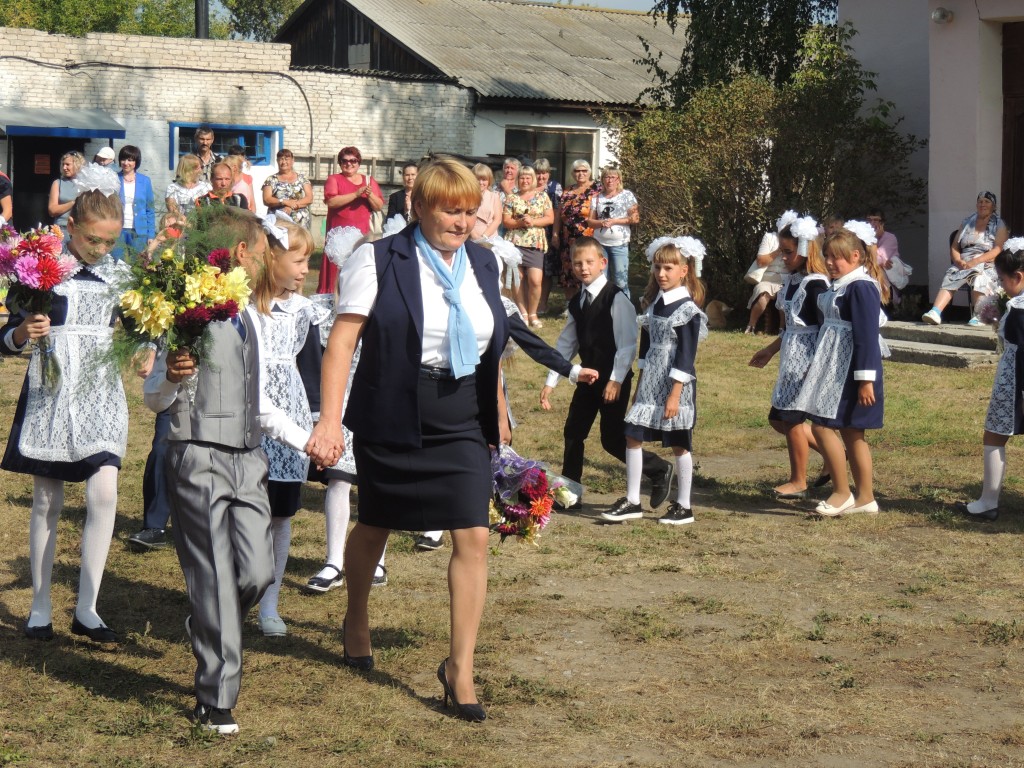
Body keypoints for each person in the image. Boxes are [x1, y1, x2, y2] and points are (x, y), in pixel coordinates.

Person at [307, 157, 510, 722]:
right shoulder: (378, 259)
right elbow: (342, 343)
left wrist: (498, 407)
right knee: (376, 521)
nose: (462, 222)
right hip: (393, 407)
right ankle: (356, 615)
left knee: (473, 534)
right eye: (450, 211)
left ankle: (460, 668)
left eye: (470, 211)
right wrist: (329, 421)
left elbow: (490, 341)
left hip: (463, 414)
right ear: (418, 207)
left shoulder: (484, 262)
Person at [143, 206, 315, 735]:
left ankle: (208, 617)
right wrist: (172, 377)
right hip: (197, 454)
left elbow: (258, 402)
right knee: (216, 574)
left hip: (249, 459)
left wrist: (307, 440)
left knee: (258, 573)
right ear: (242, 254)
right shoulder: (187, 312)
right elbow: (155, 399)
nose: (268, 261)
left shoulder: (252, 318)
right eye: (264, 252)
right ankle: (215, 698)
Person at [2, 189, 130, 642]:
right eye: (94, 239)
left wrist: (152, 348)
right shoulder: (42, 269)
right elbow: (7, 338)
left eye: (110, 241)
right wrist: (23, 330)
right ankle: (40, 605)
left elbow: (145, 327)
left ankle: (87, 608)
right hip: (52, 391)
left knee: (105, 493)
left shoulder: (120, 275)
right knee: (47, 500)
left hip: (100, 392)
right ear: (71, 226)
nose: (101, 249)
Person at [540, 236, 675, 511]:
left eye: (589, 262)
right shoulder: (577, 302)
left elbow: (627, 344)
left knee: (612, 440)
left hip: (613, 380)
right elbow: (567, 344)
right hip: (586, 377)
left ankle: (659, 469)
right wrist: (551, 380)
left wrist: (615, 380)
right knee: (573, 432)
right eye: (578, 263)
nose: (583, 268)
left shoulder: (617, 298)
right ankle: (570, 495)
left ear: (602, 263)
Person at [247, 216, 327, 636]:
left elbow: (311, 372)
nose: (304, 271)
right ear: (271, 258)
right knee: (245, 514)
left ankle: (270, 604)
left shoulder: (302, 310)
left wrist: (316, 428)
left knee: (280, 516)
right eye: (298, 261)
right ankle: (233, 597)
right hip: (246, 417)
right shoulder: (241, 306)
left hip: (289, 418)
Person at [601, 236, 708, 525]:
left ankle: (684, 506)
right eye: (658, 267)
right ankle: (633, 500)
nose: (661, 273)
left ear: (684, 271)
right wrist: (640, 385)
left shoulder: (687, 310)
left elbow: (686, 356)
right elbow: (646, 349)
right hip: (651, 381)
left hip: (675, 384)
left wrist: (675, 394)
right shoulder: (653, 304)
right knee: (632, 434)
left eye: (668, 268)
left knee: (679, 443)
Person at [790, 222, 889, 517]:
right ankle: (866, 498)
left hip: (850, 370)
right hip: (833, 364)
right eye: (828, 256)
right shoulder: (841, 285)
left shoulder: (861, 287)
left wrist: (865, 380)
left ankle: (842, 492)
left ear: (856, 256)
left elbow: (866, 336)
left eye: (838, 257)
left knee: (823, 426)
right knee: (850, 432)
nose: (831, 263)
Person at [748, 218, 830, 498]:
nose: (782, 257)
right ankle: (834, 454)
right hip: (790, 360)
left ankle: (798, 481)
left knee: (792, 419)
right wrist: (771, 350)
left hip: (806, 361)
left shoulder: (817, 285)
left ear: (806, 250)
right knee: (778, 418)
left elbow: (824, 328)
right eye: (781, 251)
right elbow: (791, 328)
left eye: (788, 252)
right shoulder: (793, 281)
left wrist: (817, 366)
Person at [955, 237, 1024, 522]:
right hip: (1015, 375)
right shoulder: (1015, 304)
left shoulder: (1019, 308)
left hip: (1016, 379)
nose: (1002, 286)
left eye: (1003, 280)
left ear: (1018, 277)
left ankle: (988, 501)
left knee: (995, 434)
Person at [922, 191, 1008, 326]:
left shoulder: (999, 224)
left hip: (986, 261)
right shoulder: (967, 222)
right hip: (965, 261)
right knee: (952, 274)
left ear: (994, 206)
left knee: (979, 276)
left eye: (987, 201)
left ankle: (979, 314)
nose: (983, 204)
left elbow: (998, 249)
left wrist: (976, 261)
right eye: (980, 201)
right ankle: (935, 312)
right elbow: (955, 246)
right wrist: (957, 260)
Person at [319, 146, 383, 293]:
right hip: (338, 237)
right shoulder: (334, 179)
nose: (349, 164)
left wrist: (370, 195)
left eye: (353, 160)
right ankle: (332, 299)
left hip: (362, 235)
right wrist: (356, 194)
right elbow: (331, 202)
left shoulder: (368, 180)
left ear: (358, 163)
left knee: (358, 270)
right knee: (335, 273)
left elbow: (378, 206)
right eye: (345, 161)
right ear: (340, 163)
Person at [503, 165, 553, 328]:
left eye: (528, 178)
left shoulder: (542, 196)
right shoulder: (511, 198)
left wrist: (533, 221)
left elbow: (550, 218)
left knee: (535, 280)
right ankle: (523, 313)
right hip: (514, 243)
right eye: (522, 178)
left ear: (533, 180)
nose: (525, 181)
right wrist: (519, 222)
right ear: (518, 180)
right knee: (518, 278)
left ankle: (533, 313)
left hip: (535, 243)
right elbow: (506, 221)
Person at [586, 167, 638, 298]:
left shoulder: (626, 196)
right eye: (607, 177)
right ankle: (603, 307)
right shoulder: (597, 198)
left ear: (618, 179)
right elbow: (590, 222)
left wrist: (615, 221)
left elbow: (635, 218)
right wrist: (602, 223)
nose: (610, 181)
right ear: (602, 180)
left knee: (620, 281)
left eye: (613, 177)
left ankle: (624, 308)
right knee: (601, 280)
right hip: (600, 244)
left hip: (619, 244)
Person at [558, 160, 599, 302]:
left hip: (588, 238)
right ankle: (570, 304)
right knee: (569, 269)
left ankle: (589, 302)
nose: (580, 173)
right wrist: (556, 234)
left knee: (587, 268)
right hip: (568, 238)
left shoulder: (597, 189)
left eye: (584, 170)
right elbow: (559, 214)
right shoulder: (567, 190)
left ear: (589, 172)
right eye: (577, 171)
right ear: (572, 173)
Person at [744, 214, 791, 334]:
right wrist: (779, 250)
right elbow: (761, 261)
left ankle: (782, 329)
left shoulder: (796, 240)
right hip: (768, 277)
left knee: (784, 296)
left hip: (787, 277)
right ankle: (751, 326)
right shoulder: (770, 237)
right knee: (763, 294)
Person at [115, 145, 155, 259]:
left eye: (130, 160)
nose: (126, 163)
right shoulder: (114, 178)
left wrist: (151, 235)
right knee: (116, 263)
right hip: (117, 230)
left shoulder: (145, 181)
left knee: (137, 264)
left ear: (136, 162)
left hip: (139, 232)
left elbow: (150, 209)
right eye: (123, 159)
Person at [534, 158, 562, 316]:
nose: (541, 176)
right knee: (532, 269)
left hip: (548, 232)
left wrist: (556, 234)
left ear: (548, 174)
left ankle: (543, 303)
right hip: (530, 233)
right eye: (538, 173)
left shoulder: (554, 187)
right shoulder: (528, 186)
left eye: (544, 173)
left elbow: (557, 213)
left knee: (546, 270)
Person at [262, 149, 313, 227]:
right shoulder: (270, 179)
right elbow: (266, 199)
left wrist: (291, 206)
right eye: (281, 159)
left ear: (293, 161)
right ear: (277, 161)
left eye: (286, 159)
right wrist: (284, 201)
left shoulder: (302, 178)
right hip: (278, 222)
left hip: (300, 223)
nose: (284, 162)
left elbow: (309, 198)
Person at [867, 208, 901, 304]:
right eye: (869, 220)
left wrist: (873, 239)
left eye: (876, 220)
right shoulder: (862, 238)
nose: (872, 223)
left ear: (882, 223)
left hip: (885, 286)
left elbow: (876, 260)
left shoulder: (890, 238)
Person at [48, 151, 85, 229]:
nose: (64, 168)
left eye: (67, 164)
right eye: (63, 164)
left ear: (77, 165)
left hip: (80, 228)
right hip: (61, 228)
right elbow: (52, 210)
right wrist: (73, 203)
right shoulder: (58, 183)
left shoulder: (86, 184)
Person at [470, 164, 501, 241]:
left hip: (491, 238)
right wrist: (474, 236)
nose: (481, 182)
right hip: (470, 237)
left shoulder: (494, 196)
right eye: (477, 179)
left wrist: (484, 236)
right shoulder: (466, 196)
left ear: (489, 181)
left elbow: (497, 220)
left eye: (484, 179)